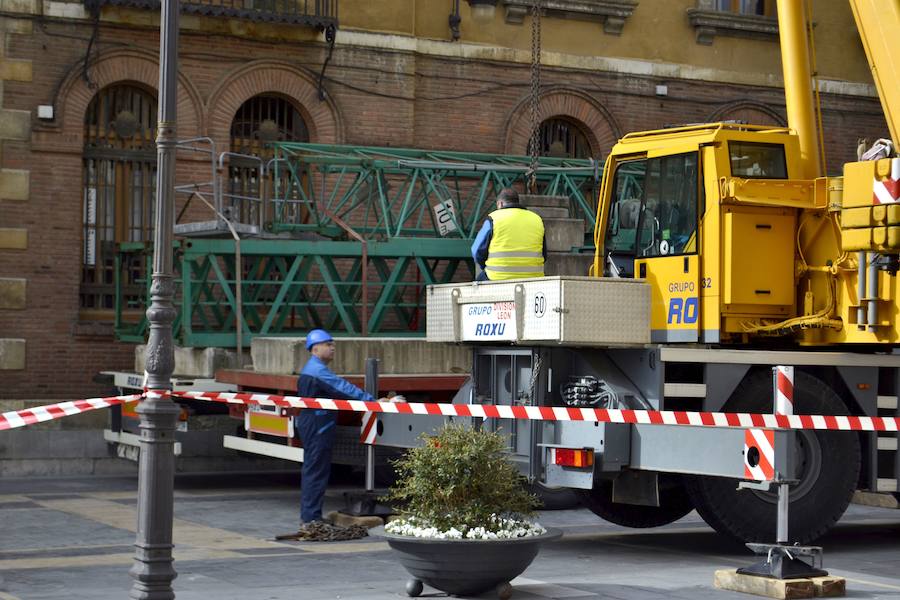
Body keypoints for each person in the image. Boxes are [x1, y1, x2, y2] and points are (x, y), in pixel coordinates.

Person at [294, 328, 378, 527]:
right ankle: (311, 518)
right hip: (317, 425)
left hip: (315, 423)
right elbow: (343, 388)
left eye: (332, 344)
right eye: (328, 344)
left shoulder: (313, 368)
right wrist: (372, 401)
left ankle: (311, 515)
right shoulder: (317, 371)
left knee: (314, 470)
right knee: (316, 471)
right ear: (315, 349)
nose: (333, 348)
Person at [471, 188, 546, 281]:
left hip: (497, 277)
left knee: (477, 285)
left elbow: (476, 251)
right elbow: (544, 254)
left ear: (500, 204)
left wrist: (485, 266)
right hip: (534, 278)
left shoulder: (494, 218)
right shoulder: (537, 219)